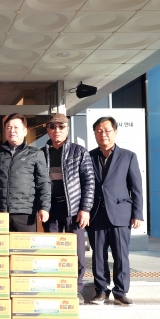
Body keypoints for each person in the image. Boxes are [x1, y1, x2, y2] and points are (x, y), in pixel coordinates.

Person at [87, 116, 143, 306]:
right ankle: (101, 291)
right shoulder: (89, 156)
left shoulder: (128, 156)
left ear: (115, 132)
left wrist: (137, 213)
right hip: (96, 214)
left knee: (121, 254)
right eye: (99, 131)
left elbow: (136, 187)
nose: (103, 134)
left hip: (120, 213)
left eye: (107, 130)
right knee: (98, 255)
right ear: (94, 134)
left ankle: (120, 292)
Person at [41, 113, 94, 305]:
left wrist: (85, 208)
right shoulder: (41, 152)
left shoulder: (79, 152)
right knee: (52, 251)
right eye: (53, 127)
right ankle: (55, 287)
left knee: (77, 252)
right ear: (47, 129)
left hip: (74, 209)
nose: (57, 131)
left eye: (61, 127)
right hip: (51, 209)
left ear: (67, 129)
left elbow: (89, 181)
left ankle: (76, 289)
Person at [0, 113, 50, 231]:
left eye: (16, 127)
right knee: (0, 248)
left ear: (25, 131)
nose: (12, 131)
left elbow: (44, 183)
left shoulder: (35, 154)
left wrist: (44, 207)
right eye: (8, 127)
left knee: (24, 249)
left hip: (25, 213)